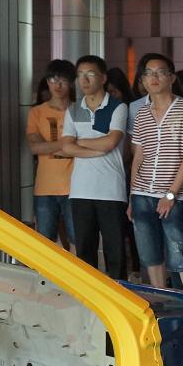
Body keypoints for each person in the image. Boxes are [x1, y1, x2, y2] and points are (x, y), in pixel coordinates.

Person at [130, 53, 183, 291]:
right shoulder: (142, 113)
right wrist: (132, 197)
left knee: (179, 252)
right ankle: (161, 300)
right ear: (142, 80)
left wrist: (171, 195)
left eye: (160, 72)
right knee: (150, 255)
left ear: (171, 77)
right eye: (148, 73)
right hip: (142, 194)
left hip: (173, 195)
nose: (154, 77)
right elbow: (138, 157)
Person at [60, 55, 130, 280]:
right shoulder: (74, 110)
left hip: (111, 191)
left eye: (90, 74)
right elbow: (65, 147)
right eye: (80, 75)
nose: (84, 80)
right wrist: (95, 149)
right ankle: (88, 295)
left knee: (115, 252)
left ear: (103, 78)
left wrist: (79, 143)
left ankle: (119, 294)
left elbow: (111, 142)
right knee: (84, 251)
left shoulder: (118, 107)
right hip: (80, 190)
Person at [27, 59, 77, 245]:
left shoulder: (80, 111)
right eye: (53, 79)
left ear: (71, 82)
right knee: (45, 243)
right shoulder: (37, 112)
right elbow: (35, 147)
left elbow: (85, 147)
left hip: (76, 187)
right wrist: (68, 144)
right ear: (47, 82)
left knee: (78, 240)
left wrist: (49, 145)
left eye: (63, 80)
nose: (57, 84)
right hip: (45, 187)